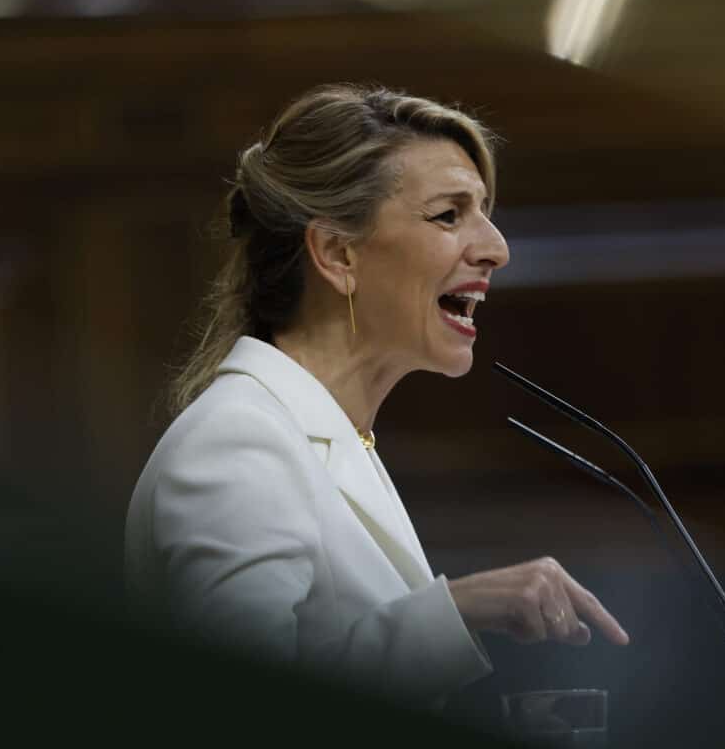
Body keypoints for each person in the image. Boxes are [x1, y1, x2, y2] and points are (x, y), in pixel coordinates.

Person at [124, 84, 629, 704]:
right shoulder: (238, 442)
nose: (497, 248)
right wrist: (458, 610)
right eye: (449, 214)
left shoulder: (329, 437)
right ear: (338, 254)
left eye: (485, 212)